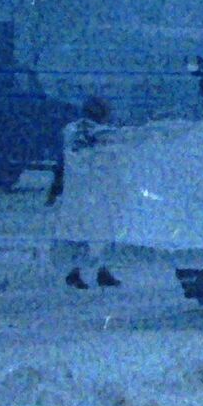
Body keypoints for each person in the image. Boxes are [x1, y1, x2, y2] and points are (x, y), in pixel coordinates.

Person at [48, 95, 120, 289]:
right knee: (101, 231)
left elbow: (62, 161)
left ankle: (80, 270)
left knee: (77, 232)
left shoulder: (70, 131)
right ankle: (98, 271)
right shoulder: (105, 133)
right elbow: (111, 163)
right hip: (97, 190)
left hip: (74, 191)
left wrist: (55, 188)